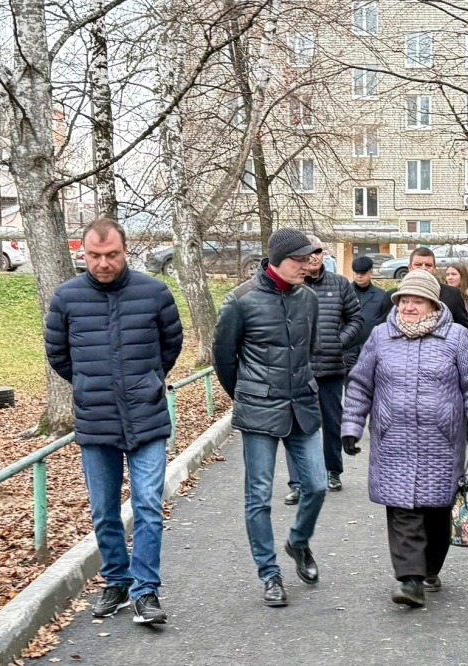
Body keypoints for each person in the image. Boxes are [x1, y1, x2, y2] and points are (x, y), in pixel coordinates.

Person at [45, 217, 183, 625]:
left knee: (147, 507)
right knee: (104, 510)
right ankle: (117, 581)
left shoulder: (155, 292)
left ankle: (146, 591)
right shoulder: (66, 298)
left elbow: (170, 344)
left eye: (112, 255)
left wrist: (149, 380)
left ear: (125, 252)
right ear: (82, 254)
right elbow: (58, 355)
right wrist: (89, 384)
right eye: (94, 256)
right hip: (95, 418)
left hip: (147, 417)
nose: (103, 263)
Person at [341, 271, 468, 608]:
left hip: (440, 443)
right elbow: (361, 384)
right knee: (402, 511)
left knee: (437, 514)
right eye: (404, 300)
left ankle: (429, 568)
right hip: (392, 441)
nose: (409, 306)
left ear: (433, 304)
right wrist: (351, 425)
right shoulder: (380, 337)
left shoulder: (457, 338)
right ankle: (410, 580)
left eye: (417, 301)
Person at [212, 227, 328, 608]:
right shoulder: (240, 301)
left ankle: (297, 541)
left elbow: (308, 350)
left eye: (310, 258)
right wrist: (248, 397)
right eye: (301, 259)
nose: (308, 265)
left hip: (302, 406)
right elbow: (225, 360)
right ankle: (270, 574)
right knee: (258, 498)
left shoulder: (308, 298)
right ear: (280, 260)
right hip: (259, 411)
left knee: (316, 485)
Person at [282, 236, 362, 501]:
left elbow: (356, 319)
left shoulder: (340, 285)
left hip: (330, 368)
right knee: (298, 425)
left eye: (318, 252)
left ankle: (332, 471)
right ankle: (298, 482)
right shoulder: (292, 285)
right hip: (297, 370)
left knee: (331, 422)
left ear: (323, 254)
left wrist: (339, 342)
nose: (313, 257)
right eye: (309, 253)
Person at [381, 247, 468, 329]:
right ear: (410, 268)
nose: (423, 268)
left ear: (435, 269)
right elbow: (386, 329)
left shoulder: (452, 294)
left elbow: (464, 329)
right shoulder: (394, 295)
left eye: (428, 265)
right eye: (418, 265)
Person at [344, 255, 388, 370]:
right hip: (348, 351)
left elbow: (384, 323)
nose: (359, 276)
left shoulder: (381, 295)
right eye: (356, 273)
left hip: (372, 350)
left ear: (371, 273)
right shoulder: (344, 293)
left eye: (362, 273)